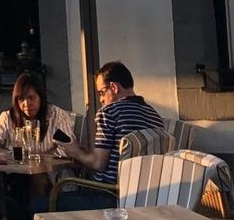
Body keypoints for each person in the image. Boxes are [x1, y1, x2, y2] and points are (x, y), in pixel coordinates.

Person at [53, 60, 165, 196]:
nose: (101, 99)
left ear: (114, 87)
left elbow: (98, 163)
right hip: (143, 196)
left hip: (107, 195)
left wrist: (75, 151)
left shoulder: (109, 112)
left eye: (101, 92)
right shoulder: (155, 116)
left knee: (40, 205)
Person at [0, 71, 72, 149]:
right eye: (21, 99)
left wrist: (39, 158)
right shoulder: (8, 117)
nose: (26, 104)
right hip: (17, 168)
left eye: (31, 97)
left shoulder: (57, 116)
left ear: (41, 97)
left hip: (52, 168)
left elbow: (67, 149)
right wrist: (11, 154)